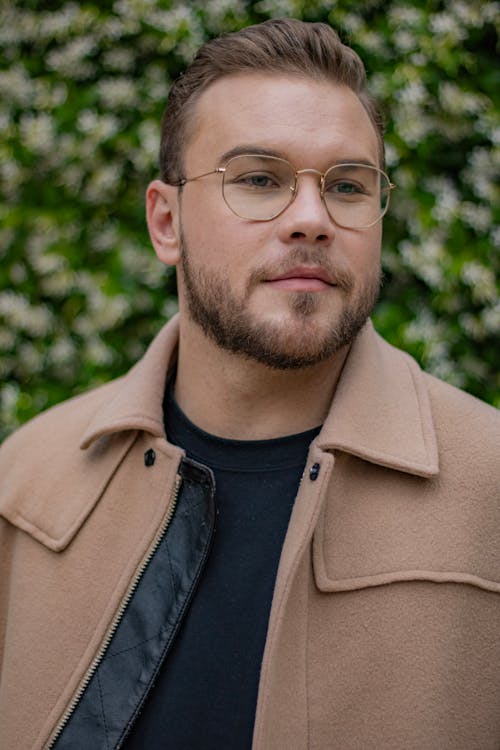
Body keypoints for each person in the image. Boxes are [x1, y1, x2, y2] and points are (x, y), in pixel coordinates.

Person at [1, 17, 499, 750]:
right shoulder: (25, 486)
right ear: (165, 221)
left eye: (349, 185)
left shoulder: (489, 489)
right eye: (259, 179)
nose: (311, 217)